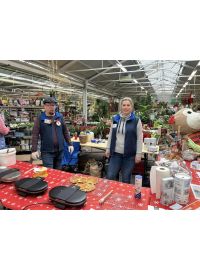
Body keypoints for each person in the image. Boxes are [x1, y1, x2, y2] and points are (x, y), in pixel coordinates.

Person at [105, 97, 143, 184]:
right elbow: (111, 134)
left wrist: (138, 154)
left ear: (131, 107)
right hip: (115, 154)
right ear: (121, 107)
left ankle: (123, 196)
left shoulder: (136, 120)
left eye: (128, 105)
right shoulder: (115, 118)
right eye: (124, 105)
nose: (126, 107)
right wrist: (108, 148)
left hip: (129, 155)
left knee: (126, 178)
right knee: (110, 175)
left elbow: (139, 139)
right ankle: (112, 194)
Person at [31, 96, 74, 169]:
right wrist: (34, 150)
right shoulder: (40, 118)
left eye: (53, 105)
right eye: (48, 105)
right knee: (49, 172)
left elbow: (65, 131)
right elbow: (35, 134)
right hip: (47, 152)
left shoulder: (59, 117)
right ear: (44, 106)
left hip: (60, 151)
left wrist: (70, 143)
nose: (51, 107)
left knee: (58, 171)